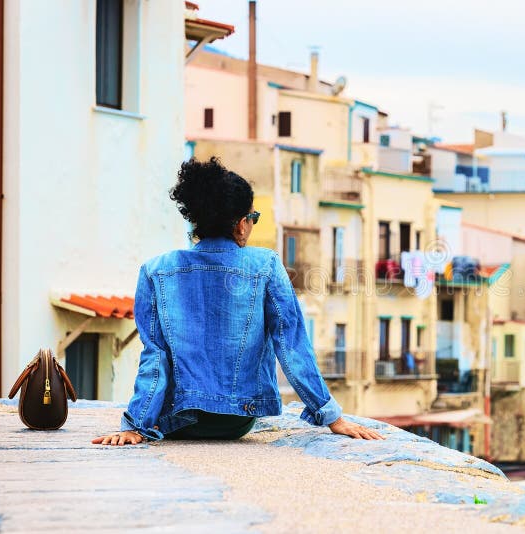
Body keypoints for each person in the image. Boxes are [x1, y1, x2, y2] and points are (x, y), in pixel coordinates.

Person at [92, 158, 383, 446]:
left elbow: (154, 356)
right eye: (253, 218)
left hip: (178, 420)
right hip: (237, 419)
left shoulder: (156, 270)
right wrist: (331, 416)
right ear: (242, 225)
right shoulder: (265, 264)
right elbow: (292, 345)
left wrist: (137, 425)